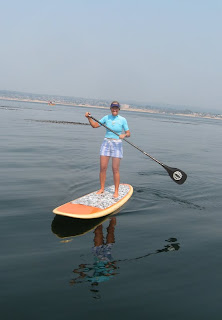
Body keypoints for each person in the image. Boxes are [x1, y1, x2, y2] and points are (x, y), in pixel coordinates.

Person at [85, 101, 130, 198]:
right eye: (113, 108)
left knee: (115, 169)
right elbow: (95, 125)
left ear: (119, 109)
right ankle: (102, 189)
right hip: (106, 143)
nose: (114, 109)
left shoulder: (123, 120)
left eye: (116, 108)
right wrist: (89, 118)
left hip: (117, 144)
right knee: (103, 168)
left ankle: (116, 191)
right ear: (110, 108)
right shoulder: (106, 118)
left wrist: (124, 135)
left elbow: (128, 133)